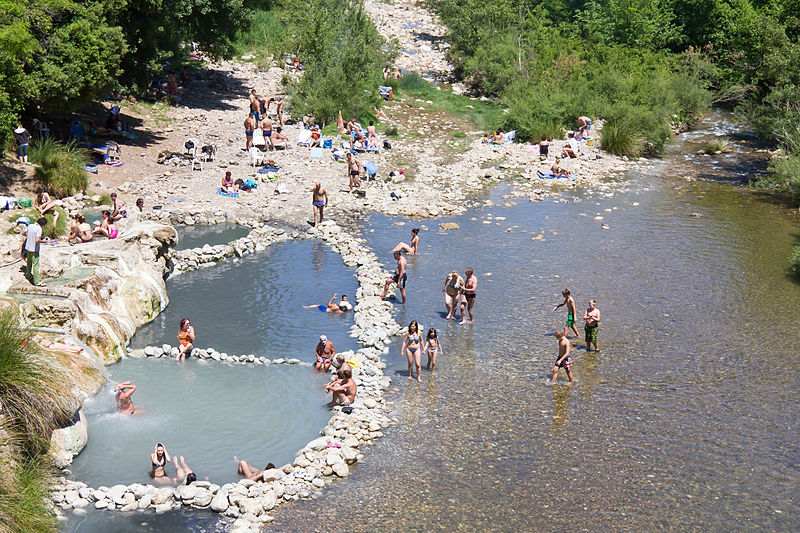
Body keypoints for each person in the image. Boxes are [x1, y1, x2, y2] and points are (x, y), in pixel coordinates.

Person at [24, 217, 48, 286]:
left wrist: (29, 237)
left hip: (27, 247)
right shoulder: (39, 229)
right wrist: (44, 241)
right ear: (43, 224)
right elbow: (37, 240)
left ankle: (28, 275)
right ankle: (37, 282)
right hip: (34, 249)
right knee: (36, 265)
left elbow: (23, 232)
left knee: (29, 262)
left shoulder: (30, 225)